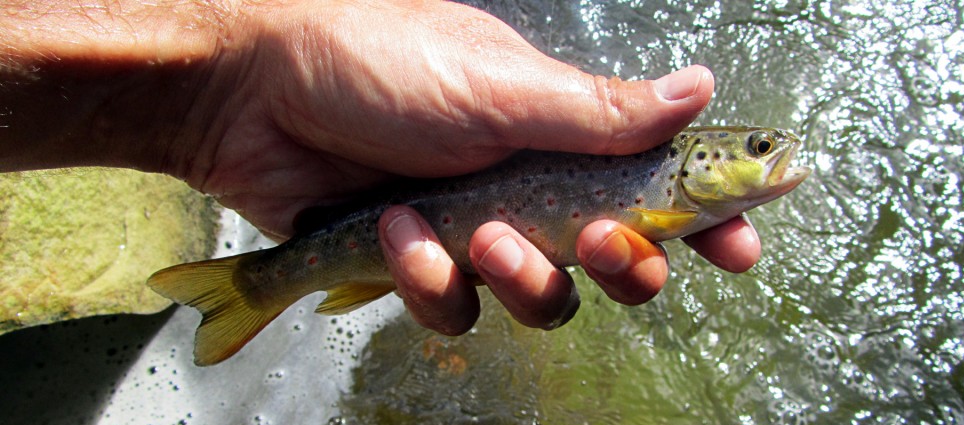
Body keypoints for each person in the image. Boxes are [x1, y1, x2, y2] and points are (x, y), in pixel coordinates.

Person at [0, 0, 762, 335]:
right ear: (702, 161)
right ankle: (260, 285)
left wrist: (231, 86)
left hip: (369, 213)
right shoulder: (667, 195)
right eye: (757, 150)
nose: (772, 159)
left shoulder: (680, 199)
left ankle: (270, 281)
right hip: (370, 213)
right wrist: (238, 83)